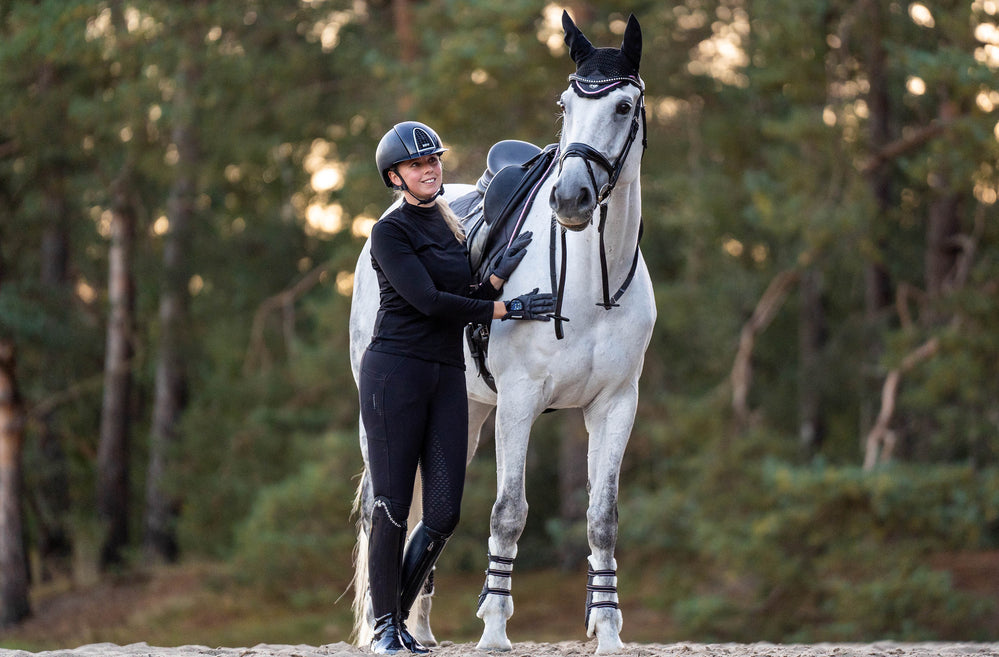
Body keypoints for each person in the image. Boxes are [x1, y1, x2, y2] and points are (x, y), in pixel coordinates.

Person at [360, 121, 555, 654]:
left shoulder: (449, 224)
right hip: (395, 374)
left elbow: (460, 293)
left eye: (434, 160)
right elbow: (428, 301)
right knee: (393, 504)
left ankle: (394, 618)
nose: (430, 169)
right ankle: (384, 629)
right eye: (417, 164)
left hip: (447, 374)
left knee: (443, 514)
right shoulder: (389, 232)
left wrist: (493, 281)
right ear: (395, 177)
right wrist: (506, 307)